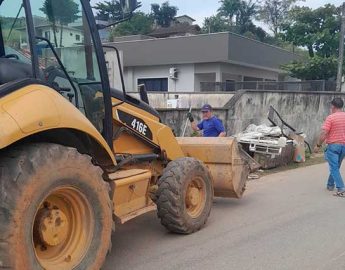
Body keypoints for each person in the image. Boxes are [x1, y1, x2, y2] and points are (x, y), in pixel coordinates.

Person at [314, 97, 345, 197]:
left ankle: (341, 188)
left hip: (333, 146)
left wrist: (318, 145)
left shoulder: (330, 118)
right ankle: (330, 185)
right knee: (336, 167)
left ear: (333, 106)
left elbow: (324, 133)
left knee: (334, 168)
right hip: (343, 146)